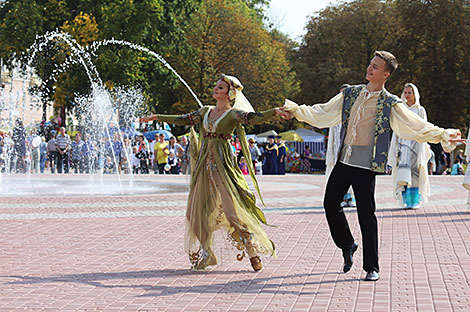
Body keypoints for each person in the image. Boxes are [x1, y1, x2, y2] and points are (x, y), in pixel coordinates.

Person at [277, 50, 461, 281]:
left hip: (365, 165)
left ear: (385, 74)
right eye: (370, 64)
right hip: (344, 160)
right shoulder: (351, 94)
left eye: (375, 67)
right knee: (329, 204)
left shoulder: (391, 103)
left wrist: (444, 134)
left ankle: (372, 266)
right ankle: (348, 243)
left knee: (366, 213)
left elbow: (416, 126)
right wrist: (295, 111)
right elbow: (322, 111)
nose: (369, 68)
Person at [140, 74, 276, 271]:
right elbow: (183, 119)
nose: (215, 89)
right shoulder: (205, 111)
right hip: (204, 167)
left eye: (220, 88)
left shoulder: (233, 114)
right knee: (194, 212)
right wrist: (157, 117)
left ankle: (252, 251)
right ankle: (207, 252)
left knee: (233, 212)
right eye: (216, 86)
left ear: (229, 94)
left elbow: (255, 118)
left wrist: (275, 112)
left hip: (222, 166)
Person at [388, 83, 432, 209]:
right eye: (405, 92)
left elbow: (425, 127)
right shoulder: (400, 109)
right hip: (402, 144)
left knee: (415, 173)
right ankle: (403, 200)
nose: (407, 95)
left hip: (416, 144)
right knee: (402, 173)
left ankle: (414, 201)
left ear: (415, 94)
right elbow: (396, 127)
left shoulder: (420, 110)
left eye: (409, 93)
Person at [326, 84, 356, 208]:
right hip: (337, 151)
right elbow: (332, 136)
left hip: (350, 151)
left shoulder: (355, 111)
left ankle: (351, 199)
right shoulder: (334, 113)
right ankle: (343, 198)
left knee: (352, 176)